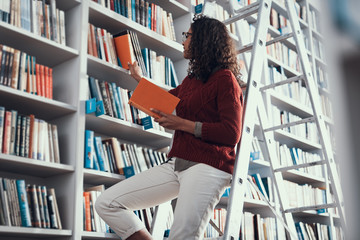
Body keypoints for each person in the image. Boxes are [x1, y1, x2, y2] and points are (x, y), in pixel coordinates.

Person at [95, 14, 244, 240]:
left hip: (208, 166)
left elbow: (231, 133)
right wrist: (138, 79)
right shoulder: (190, 82)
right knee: (107, 203)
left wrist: (182, 124)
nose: (183, 41)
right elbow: (164, 100)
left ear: (203, 40)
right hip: (177, 164)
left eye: (188, 36)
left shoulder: (225, 80)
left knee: (181, 236)